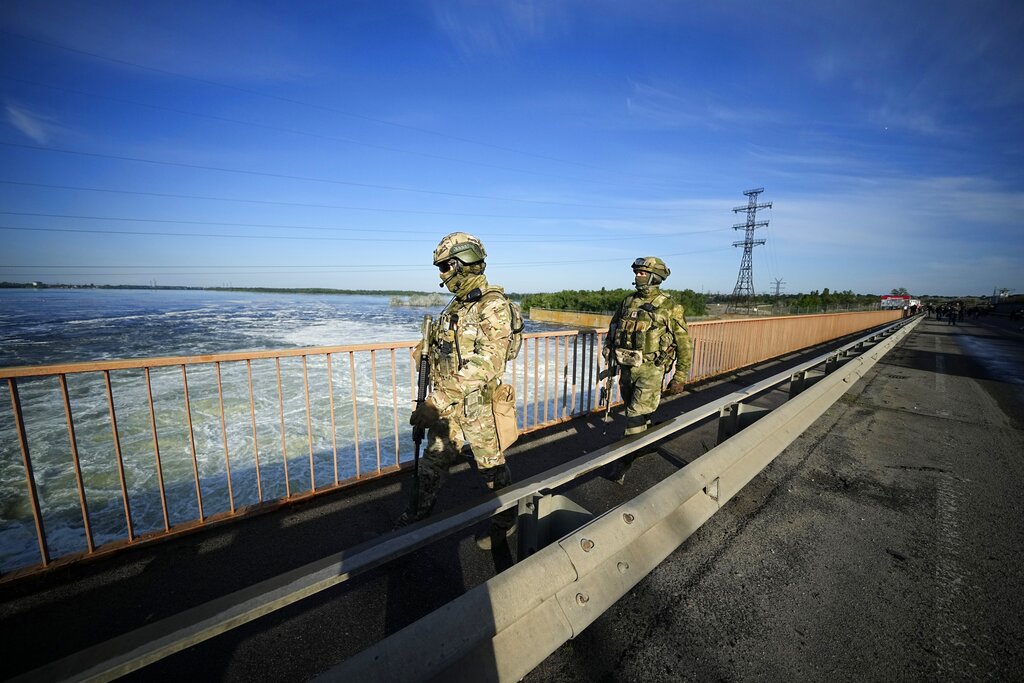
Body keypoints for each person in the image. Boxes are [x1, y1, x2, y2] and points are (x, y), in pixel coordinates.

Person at [399, 231, 517, 550]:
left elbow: (489, 362)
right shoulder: (458, 305)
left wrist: (435, 401)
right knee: (432, 464)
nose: (441, 275)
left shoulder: (491, 305)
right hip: (449, 408)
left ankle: (506, 518)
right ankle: (416, 518)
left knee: (491, 467)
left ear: (461, 263)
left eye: (444, 267)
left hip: (476, 409)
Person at [603, 256, 693, 483]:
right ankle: (646, 442)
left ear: (655, 276)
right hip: (626, 368)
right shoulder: (628, 302)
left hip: (651, 371)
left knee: (634, 417)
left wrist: (679, 376)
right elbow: (614, 328)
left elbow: (684, 344)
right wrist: (609, 352)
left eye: (642, 273)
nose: (637, 276)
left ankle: (622, 463)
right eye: (637, 272)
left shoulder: (670, 306)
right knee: (635, 414)